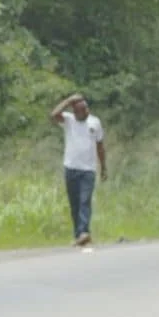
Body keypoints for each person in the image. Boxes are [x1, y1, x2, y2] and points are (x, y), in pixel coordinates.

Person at [49, 93, 106, 247]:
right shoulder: (69, 120)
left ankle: (84, 232)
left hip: (88, 169)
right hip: (71, 167)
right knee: (74, 203)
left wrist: (103, 168)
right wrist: (68, 100)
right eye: (82, 109)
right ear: (75, 111)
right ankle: (79, 235)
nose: (86, 111)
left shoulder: (95, 122)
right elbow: (53, 115)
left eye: (86, 108)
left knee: (84, 200)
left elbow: (100, 146)